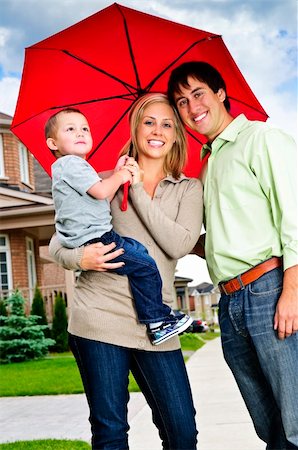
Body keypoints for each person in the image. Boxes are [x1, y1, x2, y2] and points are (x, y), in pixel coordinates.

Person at [49, 93, 203, 449]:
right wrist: (81, 258)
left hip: (157, 326)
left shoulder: (188, 189)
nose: (157, 130)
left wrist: (135, 189)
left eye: (167, 124)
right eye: (149, 121)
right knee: (111, 432)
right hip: (99, 318)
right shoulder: (99, 181)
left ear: (177, 135)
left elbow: (178, 244)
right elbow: (59, 240)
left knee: (182, 433)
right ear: (136, 128)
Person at [167, 61, 298, 449]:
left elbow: (295, 218)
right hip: (230, 300)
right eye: (181, 102)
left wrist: (291, 292)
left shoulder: (262, 139)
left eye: (198, 94)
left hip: (270, 289)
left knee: (294, 420)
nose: (192, 108)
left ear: (221, 92)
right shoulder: (207, 166)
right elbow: (217, 241)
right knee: (267, 421)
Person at [46, 108, 192, 346]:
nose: (80, 133)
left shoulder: (79, 170)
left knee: (139, 252)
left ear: (175, 136)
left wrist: (119, 176)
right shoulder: (73, 164)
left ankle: (155, 318)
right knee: (145, 266)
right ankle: (158, 322)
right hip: (97, 246)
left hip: (100, 234)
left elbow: (100, 197)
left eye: (84, 128)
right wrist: (122, 176)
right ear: (53, 143)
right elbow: (102, 192)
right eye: (70, 129)